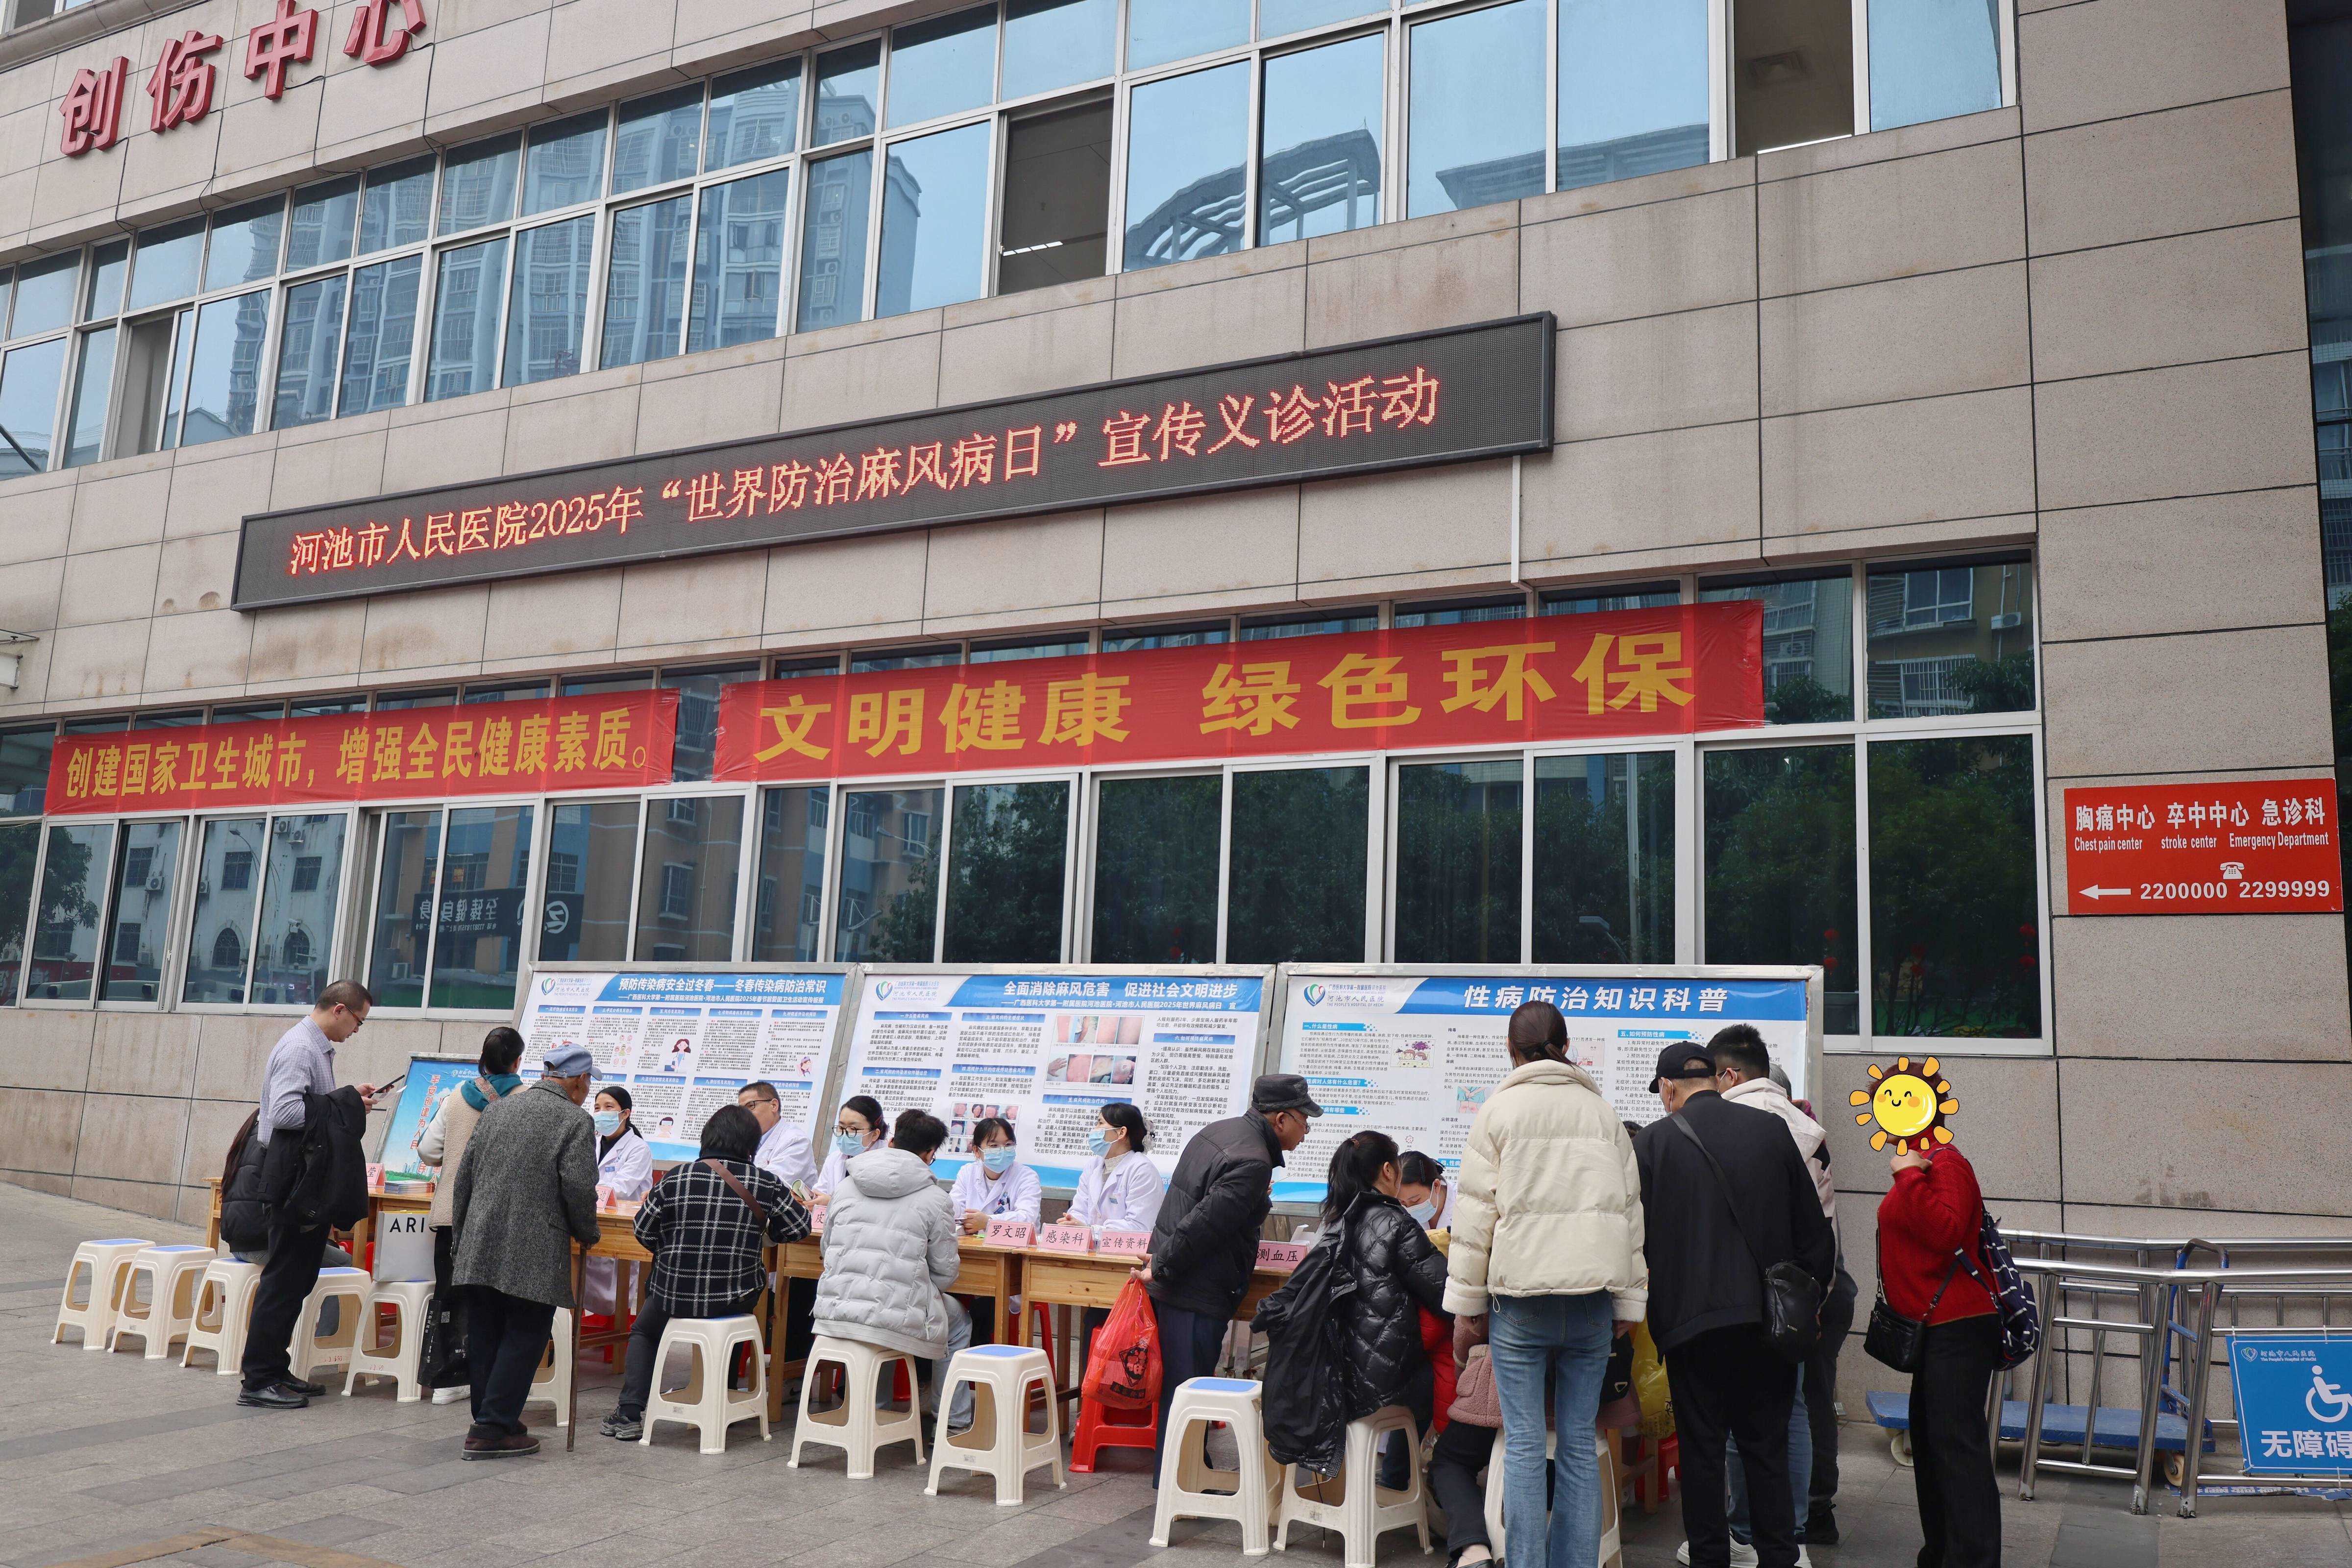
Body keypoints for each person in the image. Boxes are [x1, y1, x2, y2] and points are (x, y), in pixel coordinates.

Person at [1444, 1000, 1647, 1568]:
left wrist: (1468, 1303)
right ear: (1566, 1045)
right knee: (1579, 1442)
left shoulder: (1498, 1111)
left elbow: (1475, 1217)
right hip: (1592, 1303)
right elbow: (1630, 1216)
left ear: (1511, 1049)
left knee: (1526, 1445)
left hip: (1520, 1302)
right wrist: (1629, 1301)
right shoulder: (1603, 1114)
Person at [1635, 1043, 1835, 1568]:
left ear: (1668, 1088)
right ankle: (1779, 1556)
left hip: (1690, 1328)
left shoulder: (1652, 1143)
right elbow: (1815, 1235)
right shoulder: (1770, 1131)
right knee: (1766, 1451)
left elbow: (1637, 1243)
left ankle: (1710, 1557)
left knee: (1701, 1454)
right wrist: (1805, 1298)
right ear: (1716, 1078)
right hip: (1765, 1324)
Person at [1143, 1074, 1319, 1481]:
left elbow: (1198, 1207)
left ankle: (1186, 1476)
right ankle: (1179, 1484)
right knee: (1189, 1394)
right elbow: (1203, 1224)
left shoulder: (1220, 1132)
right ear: (1281, 1119)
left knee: (1182, 1391)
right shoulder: (1253, 1160)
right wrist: (1163, 1265)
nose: (1307, 1131)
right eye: (1304, 1121)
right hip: (1195, 1288)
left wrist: (1162, 1262)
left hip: (1181, 1280)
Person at [602, 1103, 810, 1441]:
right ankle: (724, 1398)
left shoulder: (676, 1178)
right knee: (736, 1325)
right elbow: (800, 1227)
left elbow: (643, 1230)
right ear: (751, 1144)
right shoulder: (766, 1182)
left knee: (644, 1331)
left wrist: (671, 1251)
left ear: (707, 1138)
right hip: (736, 1295)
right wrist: (765, 1233)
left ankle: (629, 1413)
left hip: (673, 1293)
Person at [1709, 1026, 1838, 1565]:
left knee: (1740, 1415)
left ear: (1729, 1074)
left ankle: (1743, 1533)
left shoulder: (1732, 1124)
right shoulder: (1807, 1127)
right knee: (1796, 1409)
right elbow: (1821, 1222)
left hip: (1742, 1291)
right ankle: (1795, 1533)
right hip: (1798, 1293)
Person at [1260, 1131, 1450, 1474]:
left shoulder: (1337, 1222)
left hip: (1331, 1368)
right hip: (1375, 1380)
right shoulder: (1396, 1223)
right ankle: (1424, 1477)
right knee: (1445, 1376)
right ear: (1389, 1171)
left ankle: (1398, 1478)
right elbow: (1445, 1293)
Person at [449, 1044, 602, 1460]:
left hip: (480, 1241)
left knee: (486, 1333)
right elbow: (578, 1187)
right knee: (526, 1334)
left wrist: (463, 1236)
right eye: (589, 1082)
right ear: (578, 1080)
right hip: (534, 1248)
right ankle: (491, 1429)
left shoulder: (498, 1110)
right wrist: (588, 1232)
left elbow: (464, 1178)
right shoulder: (575, 1120)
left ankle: (491, 1417)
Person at [238, 980, 376, 1411]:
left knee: (297, 1281)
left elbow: (313, 1107)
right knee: (283, 1282)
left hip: (304, 1181)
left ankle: (275, 1370)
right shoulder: (301, 1048)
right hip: (293, 1182)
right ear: (339, 1010)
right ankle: (259, 1379)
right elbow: (283, 1112)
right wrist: (344, 1104)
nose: (357, 1030)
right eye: (358, 1021)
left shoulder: (314, 1047)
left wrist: (347, 1100)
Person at [1881, 1132, 2002, 1568]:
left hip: (1958, 1327)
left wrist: (1910, 1177)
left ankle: (1972, 1560)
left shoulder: (1946, 1162)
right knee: (1933, 1453)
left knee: (1957, 1454)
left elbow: (1947, 1231)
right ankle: (1940, 1555)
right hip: (1935, 1330)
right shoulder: (1922, 1159)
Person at [811, 1109, 972, 1428]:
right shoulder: (936, 1199)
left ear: (892, 1141)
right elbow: (945, 1272)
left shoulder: (846, 1186)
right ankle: (952, 1424)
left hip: (835, 1310)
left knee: (883, 1321)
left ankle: (873, 1414)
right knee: (957, 1323)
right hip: (892, 1317)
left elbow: (826, 1250)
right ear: (929, 1154)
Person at [415, 1027, 527, 1399]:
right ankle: (491, 1380)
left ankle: (446, 1381)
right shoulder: (527, 1100)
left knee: (451, 1294)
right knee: (497, 1301)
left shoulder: (456, 1097)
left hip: (452, 1213)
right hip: (502, 1217)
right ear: (517, 1062)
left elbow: (428, 1151)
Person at [582, 1083, 655, 1314]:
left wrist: (581, 1191)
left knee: (617, 1296)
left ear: (625, 1113)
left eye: (609, 1107)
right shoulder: (590, 1142)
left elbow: (620, 1188)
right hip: (591, 1220)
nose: (601, 1112)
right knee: (582, 1287)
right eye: (597, 1107)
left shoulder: (638, 1149)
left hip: (621, 1229)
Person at [1065, 1103, 1163, 1233]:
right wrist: (1072, 1222)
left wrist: (1091, 1231)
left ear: (1121, 1132)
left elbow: (1138, 1227)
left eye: (1100, 1123)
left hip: (1125, 1247)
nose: (1095, 1129)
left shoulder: (1142, 1170)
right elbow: (1079, 1210)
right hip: (1090, 1244)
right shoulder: (1094, 1165)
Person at [950, 1116, 1043, 1234]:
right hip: (972, 1242)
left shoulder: (1027, 1177)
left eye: (1008, 1145)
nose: (1002, 1151)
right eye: (994, 1146)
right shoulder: (968, 1172)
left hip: (1015, 1244)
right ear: (977, 1151)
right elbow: (954, 1209)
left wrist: (988, 1222)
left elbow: (1027, 1217)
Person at [739, 1080, 815, 1190]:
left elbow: (768, 1186)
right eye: (741, 1110)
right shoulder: (744, 1140)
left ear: (774, 1105)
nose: (744, 1114)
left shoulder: (796, 1141)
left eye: (751, 1106)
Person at [813, 1095, 886, 1198]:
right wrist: (812, 1197)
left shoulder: (886, 1163)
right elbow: (821, 1191)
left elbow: (876, 1204)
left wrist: (831, 1202)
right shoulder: (834, 1159)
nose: (845, 1134)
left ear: (875, 1134)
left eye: (853, 1129)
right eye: (841, 1127)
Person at [1396, 1150, 1456, 1231]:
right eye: (1402, 1202)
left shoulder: (1465, 1203)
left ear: (1436, 1186)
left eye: (1415, 1200)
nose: (1410, 1209)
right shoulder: (1395, 1213)